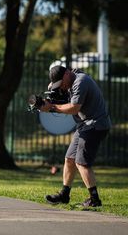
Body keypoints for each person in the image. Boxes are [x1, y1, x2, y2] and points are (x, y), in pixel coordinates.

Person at [40, 65, 111, 207]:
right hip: (85, 125)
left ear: (67, 74)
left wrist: (52, 107)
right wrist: (51, 97)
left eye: (61, 83)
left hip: (95, 125)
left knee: (81, 162)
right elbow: (64, 98)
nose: (62, 86)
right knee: (70, 159)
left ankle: (94, 199)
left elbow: (74, 108)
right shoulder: (71, 81)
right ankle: (64, 195)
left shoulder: (80, 81)